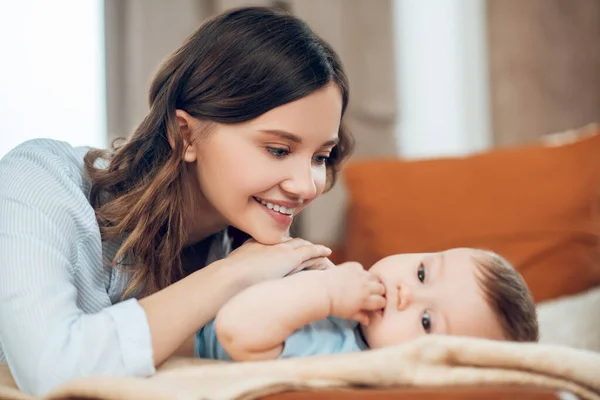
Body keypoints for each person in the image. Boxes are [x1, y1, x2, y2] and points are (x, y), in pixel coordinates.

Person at [0, 6, 354, 396]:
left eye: (320, 157)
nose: (306, 187)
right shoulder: (38, 180)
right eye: (277, 150)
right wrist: (231, 274)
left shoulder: (251, 255)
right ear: (184, 134)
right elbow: (53, 373)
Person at [197, 248, 539, 361]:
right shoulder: (349, 306)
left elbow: (233, 326)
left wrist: (326, 292)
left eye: (426, 322)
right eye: (422, 273)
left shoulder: (340, 357)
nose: (407, 294)